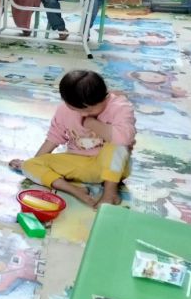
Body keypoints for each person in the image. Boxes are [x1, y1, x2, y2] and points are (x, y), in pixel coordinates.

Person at [10, 70, 135, 207]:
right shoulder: (65, 109)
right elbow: (54, 137)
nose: (83, 114)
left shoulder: (119, 106)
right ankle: (75, 190)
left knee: (118, 143)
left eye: (89, 110)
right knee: (29, 165)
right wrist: (36, 162)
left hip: (114, 169)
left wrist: (93, 123)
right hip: (80, 165)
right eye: (76, 110)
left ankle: (110, 193)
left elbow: (125, 137)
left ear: (104, 98)